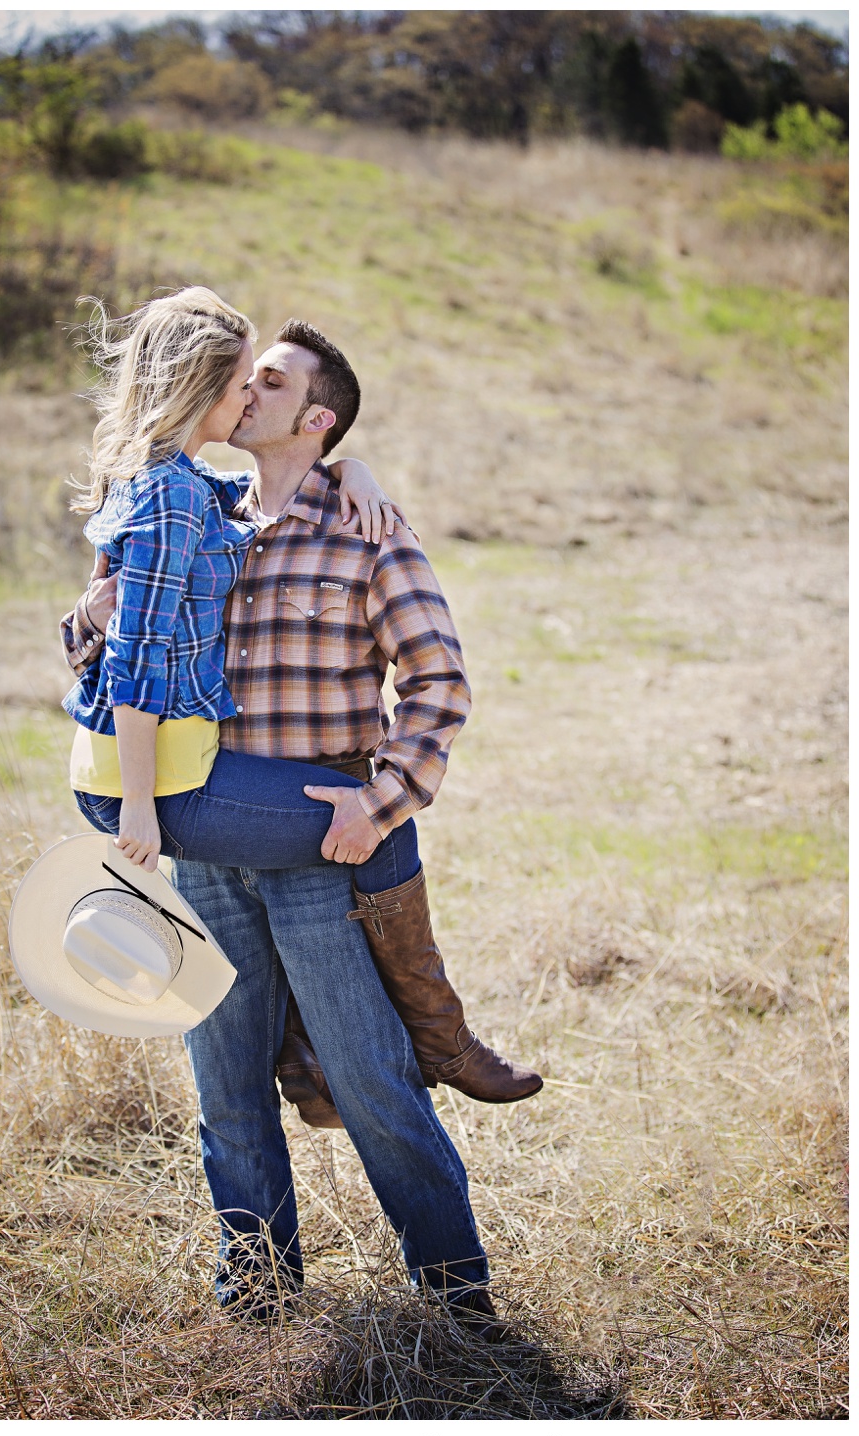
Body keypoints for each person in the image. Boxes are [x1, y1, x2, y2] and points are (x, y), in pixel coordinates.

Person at [63, 287, 541, 1334]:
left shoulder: (366, 526)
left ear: (317, 419)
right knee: (225, 1085)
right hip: (205, 833)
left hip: (320, 844)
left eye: (269, 381)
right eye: (245, 377)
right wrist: (88, 616)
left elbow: (440, 682)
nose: (246, 391)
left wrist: (381, 802)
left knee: (371, 1083)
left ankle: (457, 1294)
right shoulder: (205, 514)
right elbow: (111, 651)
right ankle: (260, 1288)